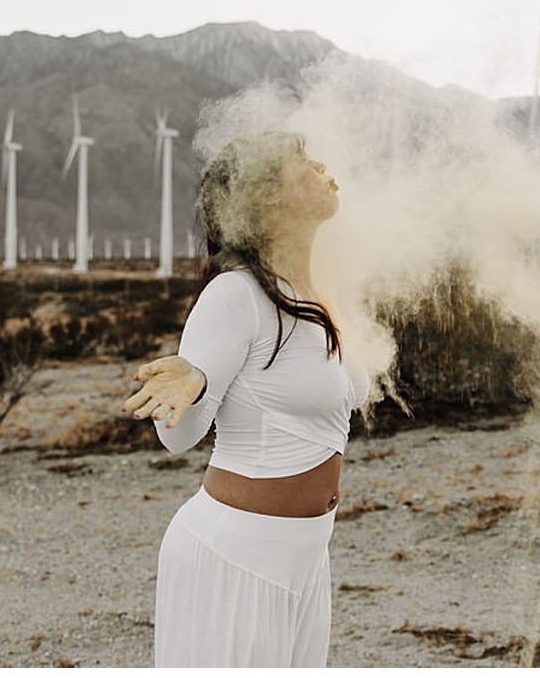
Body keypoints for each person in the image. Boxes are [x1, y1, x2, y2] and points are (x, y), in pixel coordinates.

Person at [120, 130, 369, 667]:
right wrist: (194, 381)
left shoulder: (318, 297)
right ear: (268, 200)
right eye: (301, 160)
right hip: (234, 558)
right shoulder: (236, 295)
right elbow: (178, 438)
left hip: (306, 562)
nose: (321, 163)